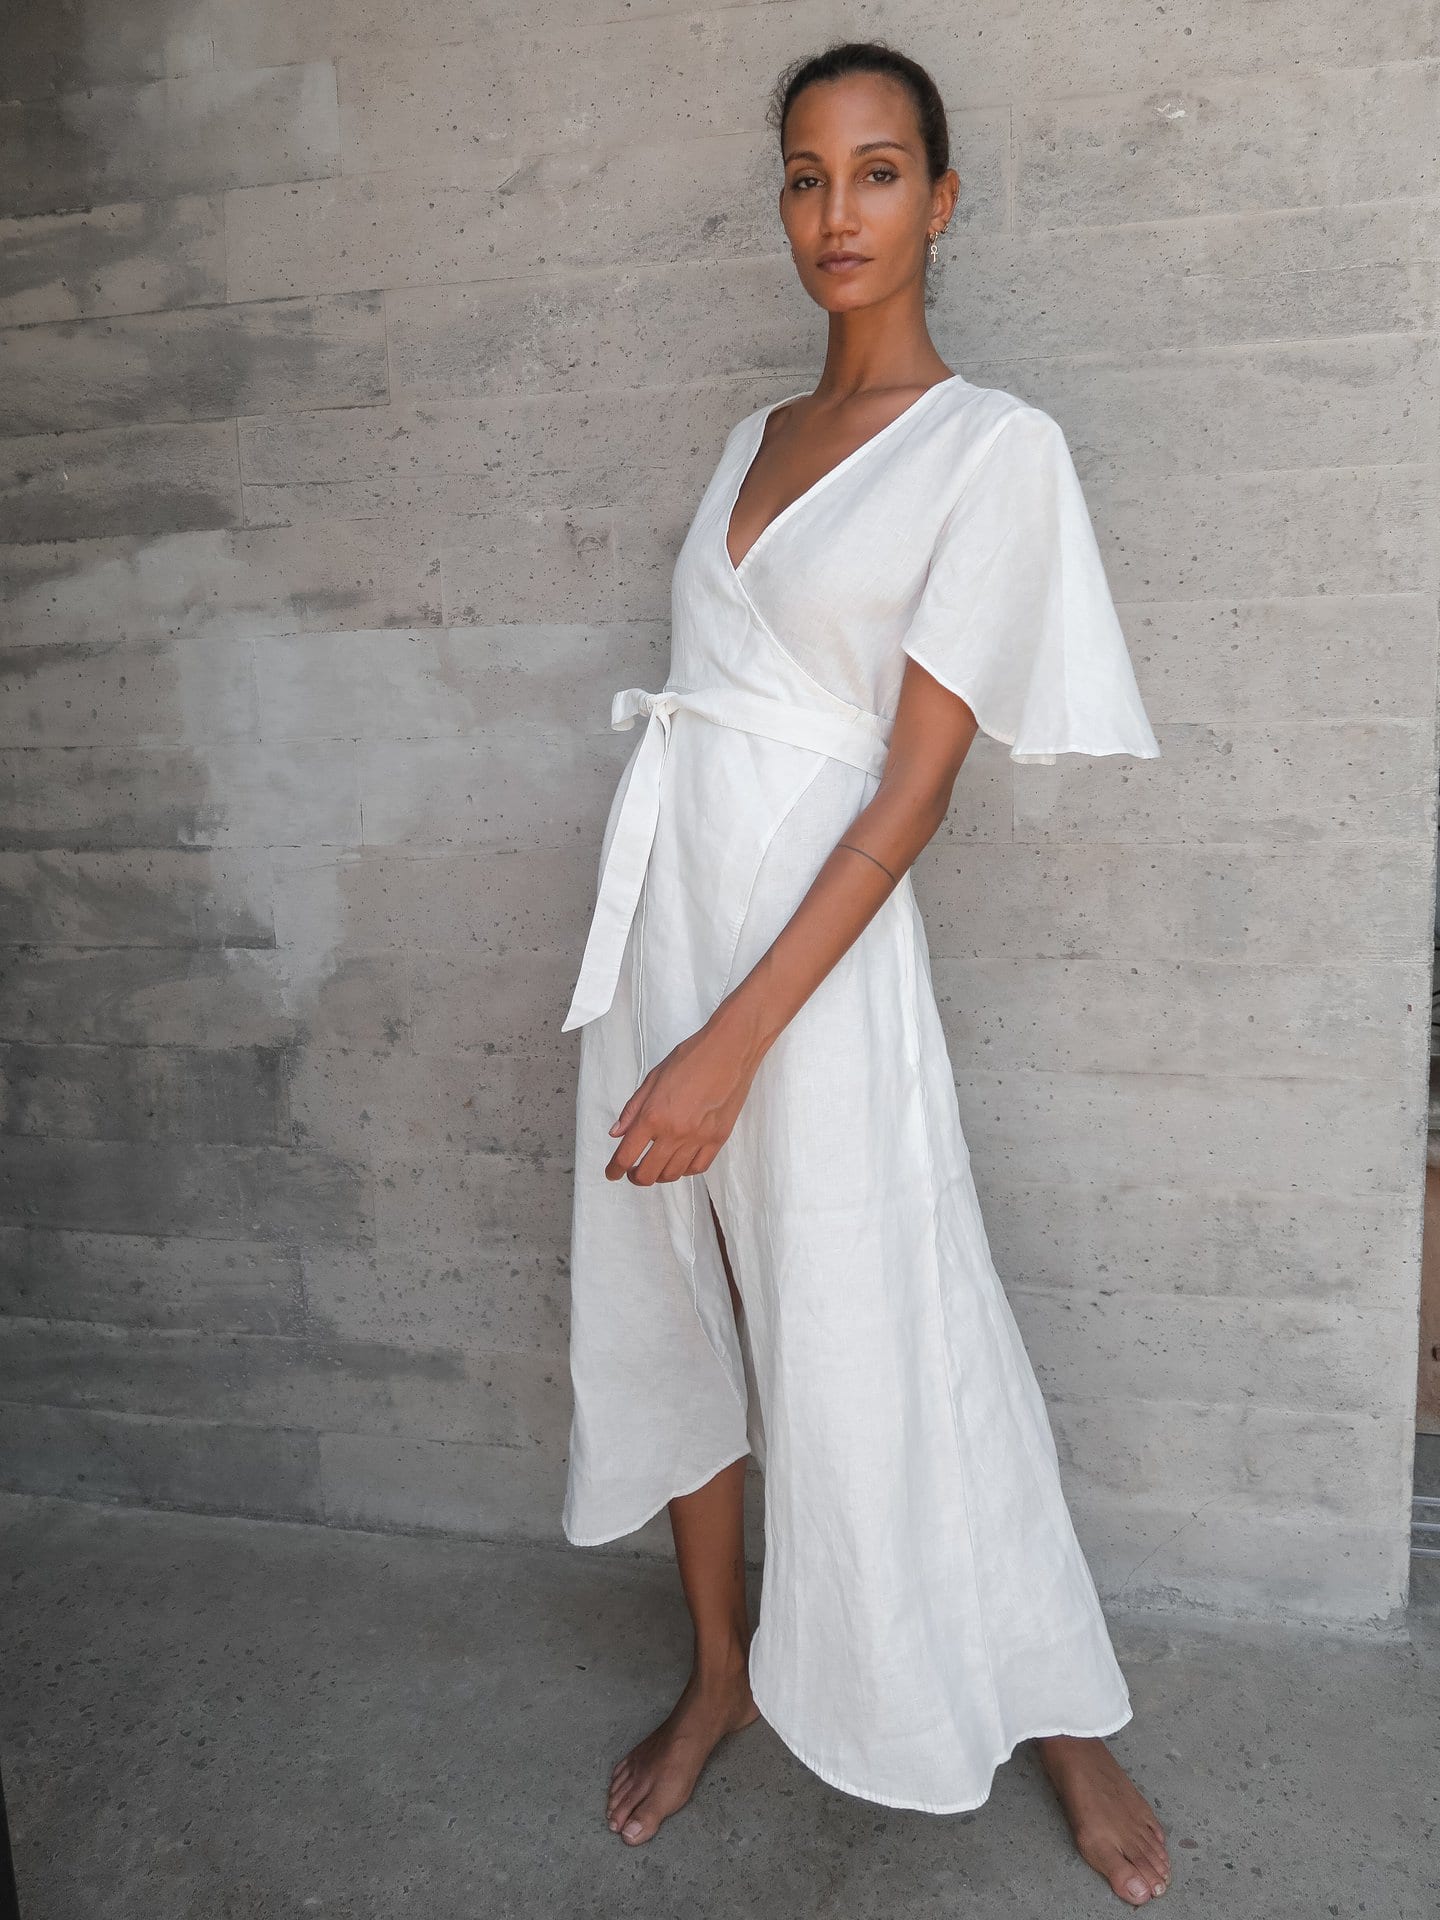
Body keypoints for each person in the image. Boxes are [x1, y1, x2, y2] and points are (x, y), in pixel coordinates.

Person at [557, 38, 1172, 1908]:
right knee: (668, 1298)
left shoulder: (995, 449)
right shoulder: (749, 440)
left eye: (881, 171)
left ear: (943, 200)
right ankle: (722, 1674)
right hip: (662, 925)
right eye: (808, 176)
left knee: (896, 1318)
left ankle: (1053, 1707)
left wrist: (732, 1045)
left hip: (805, 983)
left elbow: (913, 794)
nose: (840, 211)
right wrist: (672, 1016)